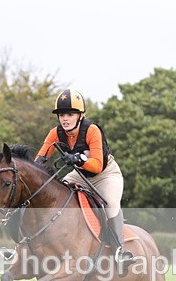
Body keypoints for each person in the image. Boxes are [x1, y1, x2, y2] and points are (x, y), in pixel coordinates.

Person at [34, 88, 132, 264]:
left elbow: (96, 166)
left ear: (80, 115)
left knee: (110, 203)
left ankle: (120, 252)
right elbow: (40, 159)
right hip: (79, 175)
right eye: (62, 114)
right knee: (55, 195)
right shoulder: (55, 133)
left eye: (70, 114)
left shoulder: (92, 130)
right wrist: (35, 168)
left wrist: (78, 159)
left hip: (105, 174)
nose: (65, 118)